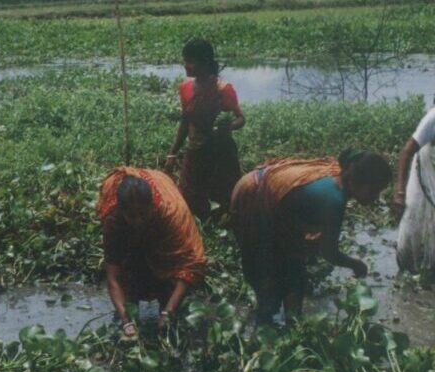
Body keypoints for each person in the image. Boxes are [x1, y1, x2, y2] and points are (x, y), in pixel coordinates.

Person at [231, 150, 392, 324]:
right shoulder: (333, 200)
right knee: (267, 279)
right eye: (374, 190)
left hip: (272, 199)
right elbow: (329, 253)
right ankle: (267, 324)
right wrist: (355, 264)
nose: (376, 197)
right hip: (253, 195)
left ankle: (291, 324)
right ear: (357, 181)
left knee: (294, 271)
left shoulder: (338, 180)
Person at [96, 167, 206, 337]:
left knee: (167, 282)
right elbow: (113, 277)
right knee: (133, 275)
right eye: (132, 215)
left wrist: (167, 312)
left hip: (162, 220)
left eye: (143, 213)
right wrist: (126, 320)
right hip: (132, 230)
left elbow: (191, 265)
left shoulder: (170, 214)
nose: (138, 220)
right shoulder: (114, 219)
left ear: (151, 206)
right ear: (122, 211)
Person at [166, 38, 245, 220]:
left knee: (224, 200)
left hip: (220, 153)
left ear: (205, 63)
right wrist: (172, 154)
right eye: (185, 61)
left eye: (191, 61)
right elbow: (185, 122)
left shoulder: (223, 89)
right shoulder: (185, 88)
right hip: (196, 151)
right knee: (191, 201)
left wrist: (229, 126)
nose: (186, 66)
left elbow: (240, 118)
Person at [394, 106, 435, 272]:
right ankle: (410, 264)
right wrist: (399, 193)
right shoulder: (433, 118)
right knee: (415, 219)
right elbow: (406, 152)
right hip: (424, 171)